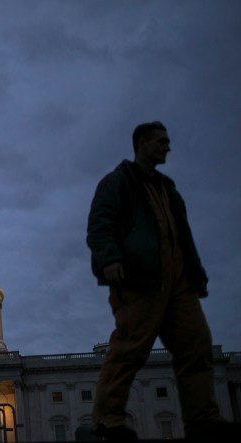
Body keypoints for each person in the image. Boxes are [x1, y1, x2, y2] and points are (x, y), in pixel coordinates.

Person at [87, 121, 240, 441]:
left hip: (178, 280)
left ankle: (202, 419)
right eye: (161, 141)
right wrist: (110, 259)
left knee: (197, 345)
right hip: (140, 277)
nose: (167, 147)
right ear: (142, 143)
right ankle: (108, 420)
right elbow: (100, 225)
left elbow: (181, 235)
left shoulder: (168, 188)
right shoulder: (117, 182)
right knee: (130, 348)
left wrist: (196, 274)